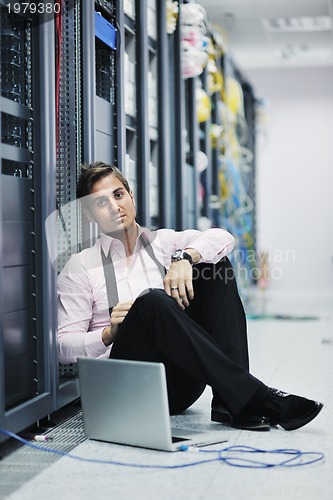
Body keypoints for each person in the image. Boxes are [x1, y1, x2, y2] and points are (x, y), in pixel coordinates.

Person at [57, 161, 323, 432]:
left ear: (131, 196)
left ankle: (230, 403)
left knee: (215, 265)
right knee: (151, 301)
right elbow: (62, 347)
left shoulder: (163, 243)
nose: (115, 207)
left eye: (118, 195)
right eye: (101, 203)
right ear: (90, 215)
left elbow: (222, 238)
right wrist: (108, 334)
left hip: (179, 386)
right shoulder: (80, 266)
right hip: (128, 385)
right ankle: (256, 397)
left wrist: (184, 258)